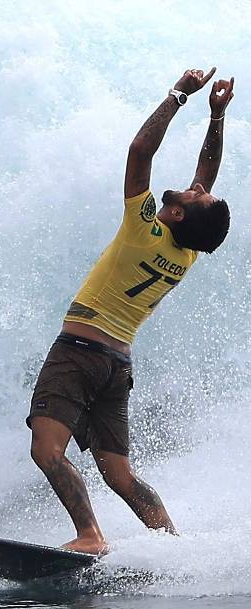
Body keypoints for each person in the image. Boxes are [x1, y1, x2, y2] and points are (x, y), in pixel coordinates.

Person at [28, 68, 234, 555]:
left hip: (79, 353)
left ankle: (90, 536)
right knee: (121, 476)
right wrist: (217, 117)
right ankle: (173, 547)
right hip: (116, 366)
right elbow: (205, 175)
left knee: (46, 450)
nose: (196, 186)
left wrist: (179, 95)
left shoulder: (146, 228)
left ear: (179, 214)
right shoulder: (183, 253)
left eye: (196, 195)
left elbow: (141, 150)